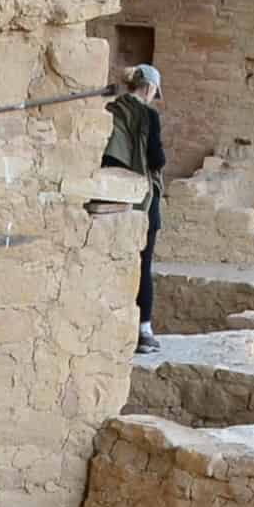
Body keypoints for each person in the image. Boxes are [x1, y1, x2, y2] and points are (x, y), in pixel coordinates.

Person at [105, 64, 169, 357]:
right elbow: (156, 159)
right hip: (143, 198)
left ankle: (108, 326)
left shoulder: (112, 109)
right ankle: (143, 330)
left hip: (109, 196)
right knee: (143, 264)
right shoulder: (148, 115)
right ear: (149, 87)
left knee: (111, 260)